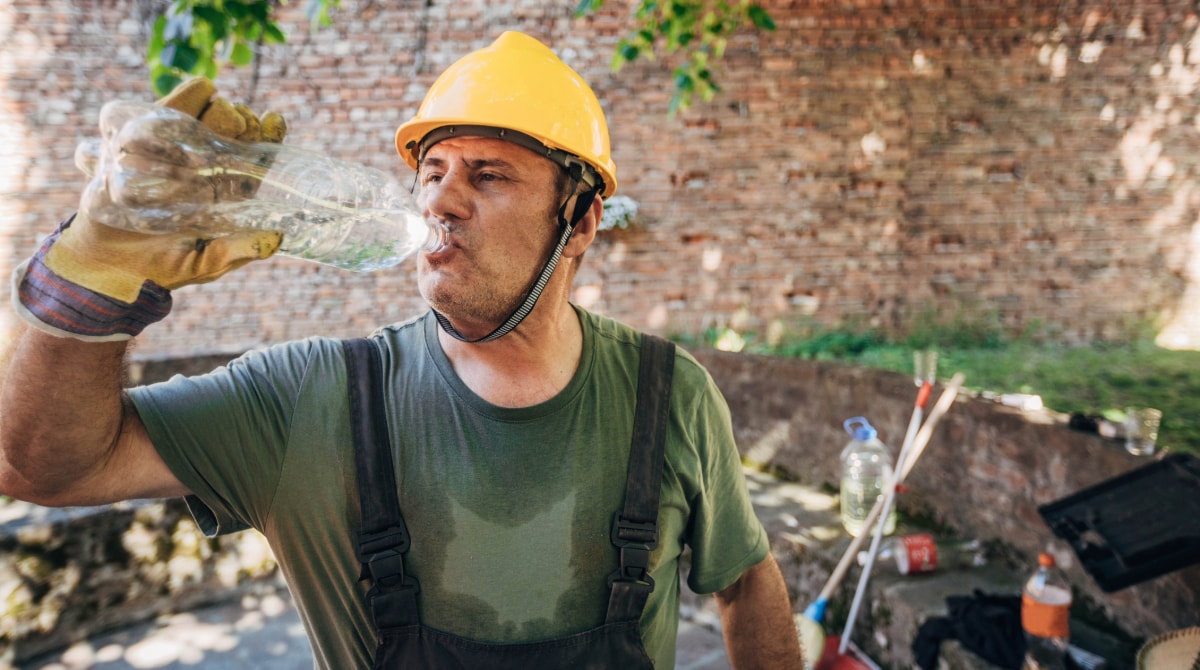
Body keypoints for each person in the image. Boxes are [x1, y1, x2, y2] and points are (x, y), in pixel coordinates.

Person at [0, 31, 803, 669]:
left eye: (488, 176)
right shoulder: (309, 397)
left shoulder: (672, 394)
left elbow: (746, 582)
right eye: (432, 170)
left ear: (581, 222)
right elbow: (39, 467)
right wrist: (91, 278)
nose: (441, 199)